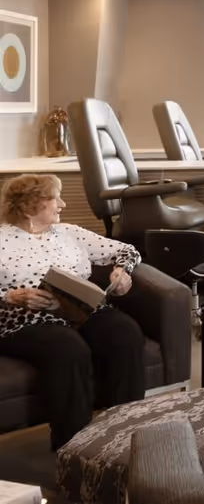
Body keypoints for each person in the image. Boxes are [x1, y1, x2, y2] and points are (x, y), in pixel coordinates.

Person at [0, 174, 144, 449]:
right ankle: (74, 447)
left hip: (80, 306)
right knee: (67, 348)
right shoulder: (2, 239)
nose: (63, 204)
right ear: (29, 207)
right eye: (54, 198)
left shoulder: (69, 232)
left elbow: (128, 251)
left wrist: (122, 271)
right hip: (25, 315)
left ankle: (126, 434)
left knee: (124, 333)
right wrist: (11, 295)